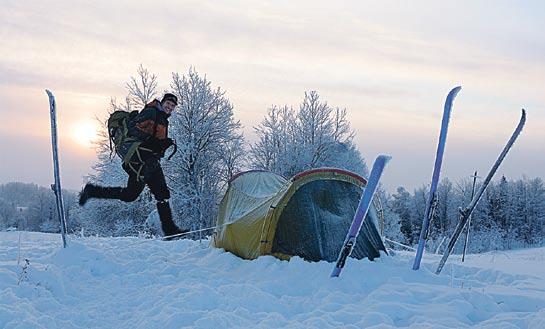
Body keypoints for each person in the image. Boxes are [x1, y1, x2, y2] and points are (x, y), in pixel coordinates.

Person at [79, 93, 187, 239]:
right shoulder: (152, 112)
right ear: (163, 102)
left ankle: (170, 230)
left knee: (146, 194)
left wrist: (161, 144)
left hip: (148, 160)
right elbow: (136, 132)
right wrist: (157, 143)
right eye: (168, 103)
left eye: (173, 106)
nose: (170, 107)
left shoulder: (162, 118)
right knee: (147, 194)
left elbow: (153, 140)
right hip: (141, 160)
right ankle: (170, 230)